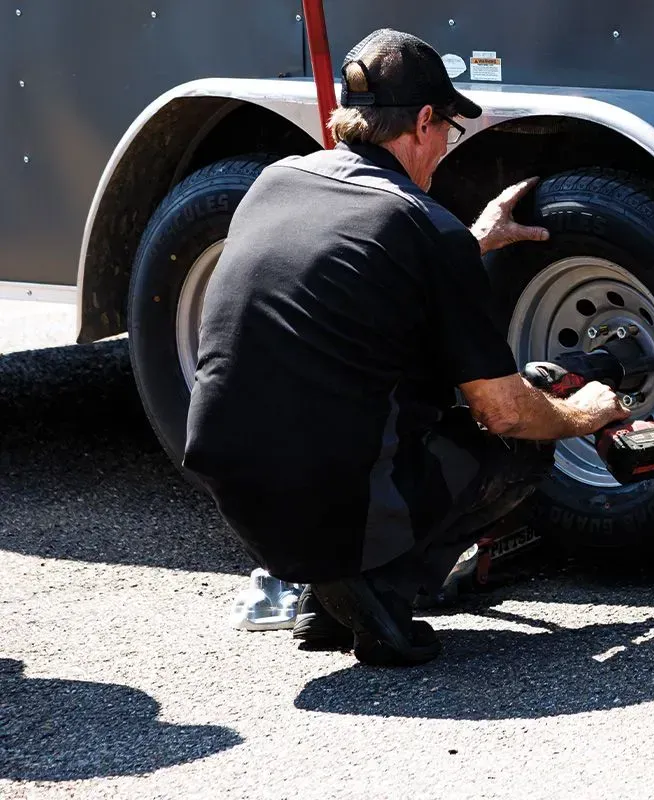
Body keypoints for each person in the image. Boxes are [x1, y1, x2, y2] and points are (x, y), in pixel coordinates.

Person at [181, 29, 630, 667]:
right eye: (448, 128)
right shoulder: (424, 225)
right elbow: (503, 413)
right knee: (518, 445)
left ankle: (326, 591)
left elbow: (354, 278)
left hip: (237, 485)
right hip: (333, 493)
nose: (447, 145)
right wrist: (587, 412)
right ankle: (379, 592)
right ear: (423, 121)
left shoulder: (277, 181)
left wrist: (471, 241)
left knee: (350, 409)